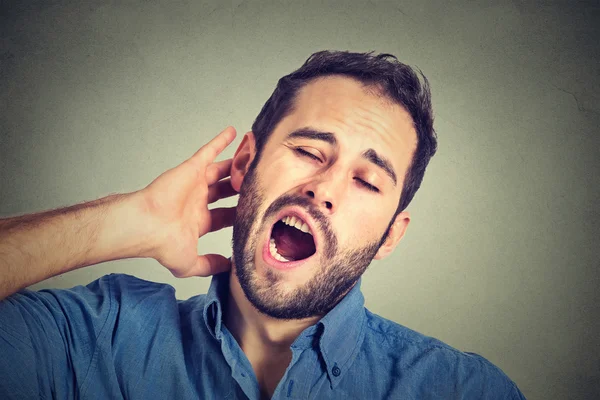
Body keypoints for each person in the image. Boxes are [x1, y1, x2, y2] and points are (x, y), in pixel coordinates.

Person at [0, 50, 525, 399]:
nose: (324, 188)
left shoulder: (460, 389)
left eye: (367, 181)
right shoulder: (96, 337)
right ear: (245, 163)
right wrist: (123, 221)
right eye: (307, 150)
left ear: (391, 234)